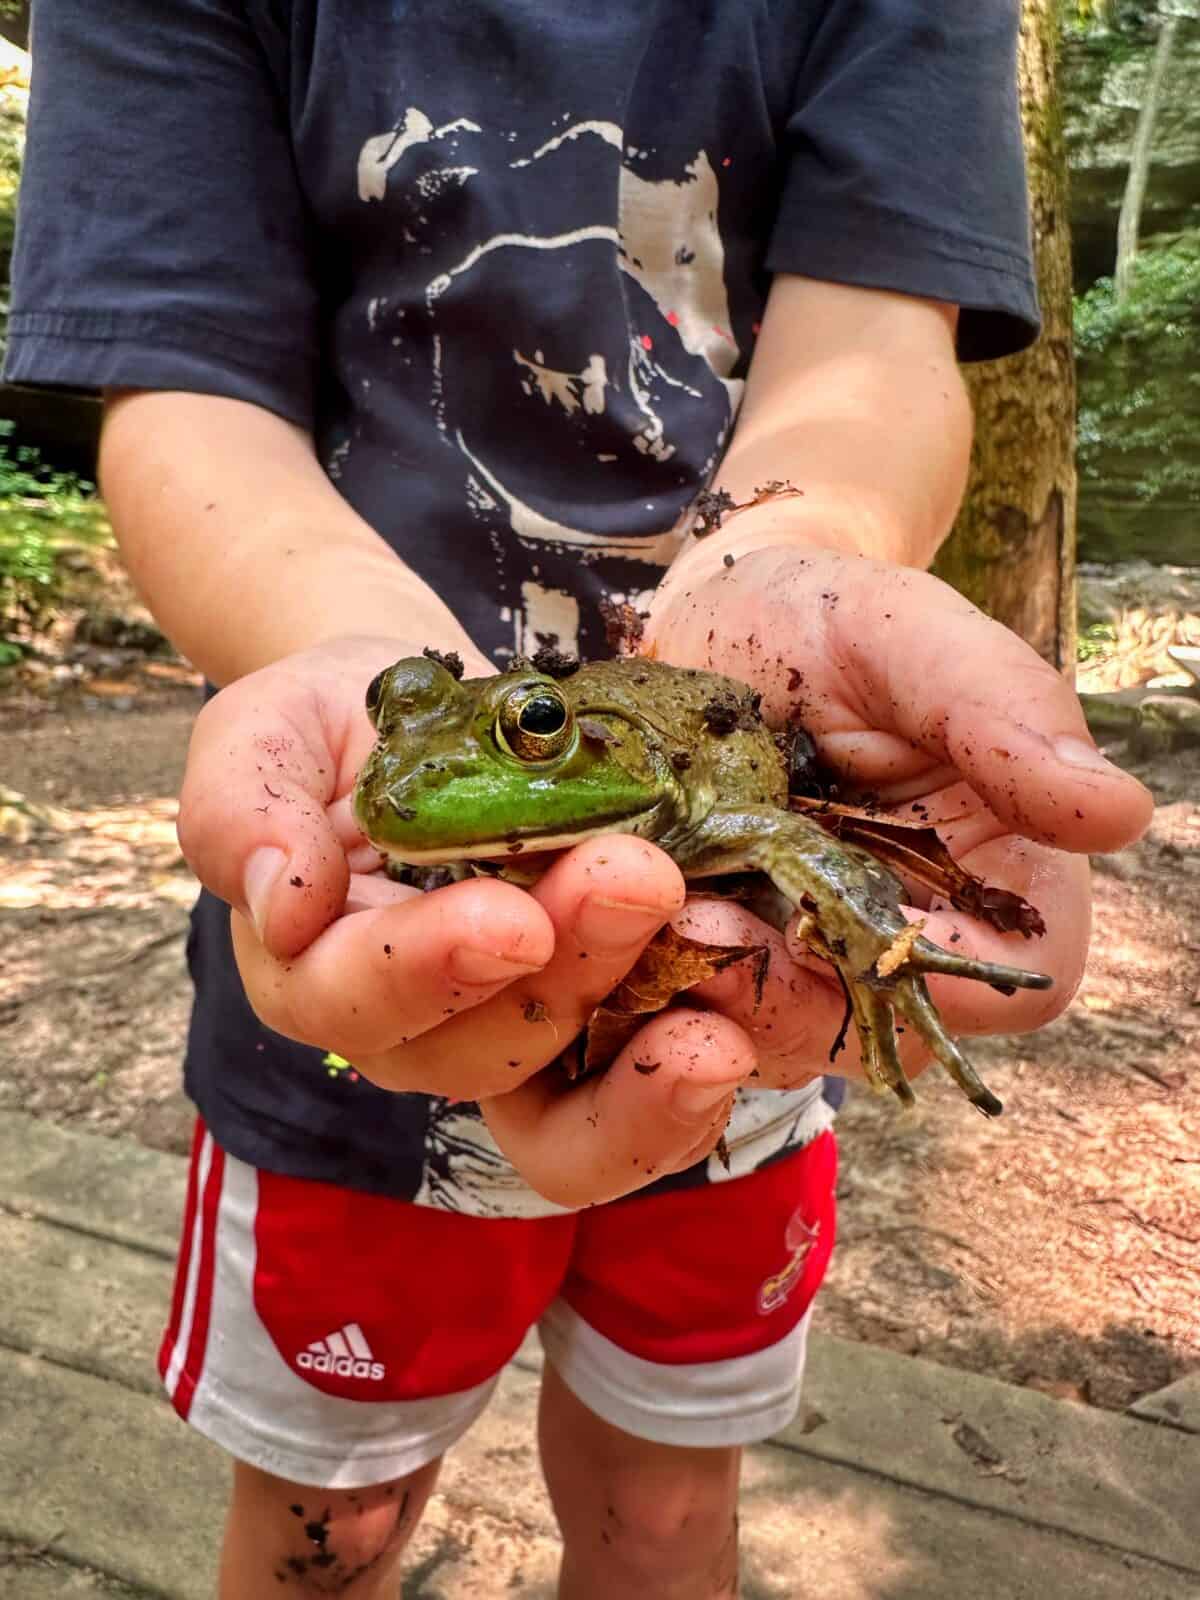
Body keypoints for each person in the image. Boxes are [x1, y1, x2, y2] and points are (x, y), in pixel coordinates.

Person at [7, 2, 1153, 1595]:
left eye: (508, 737)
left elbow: (879, 354)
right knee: (325, 1523)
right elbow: (178, 372)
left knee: (668, 1506)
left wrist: (879, 921)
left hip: (745, 1020)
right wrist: (347, 653)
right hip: (346, 1039)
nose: (424, 770)